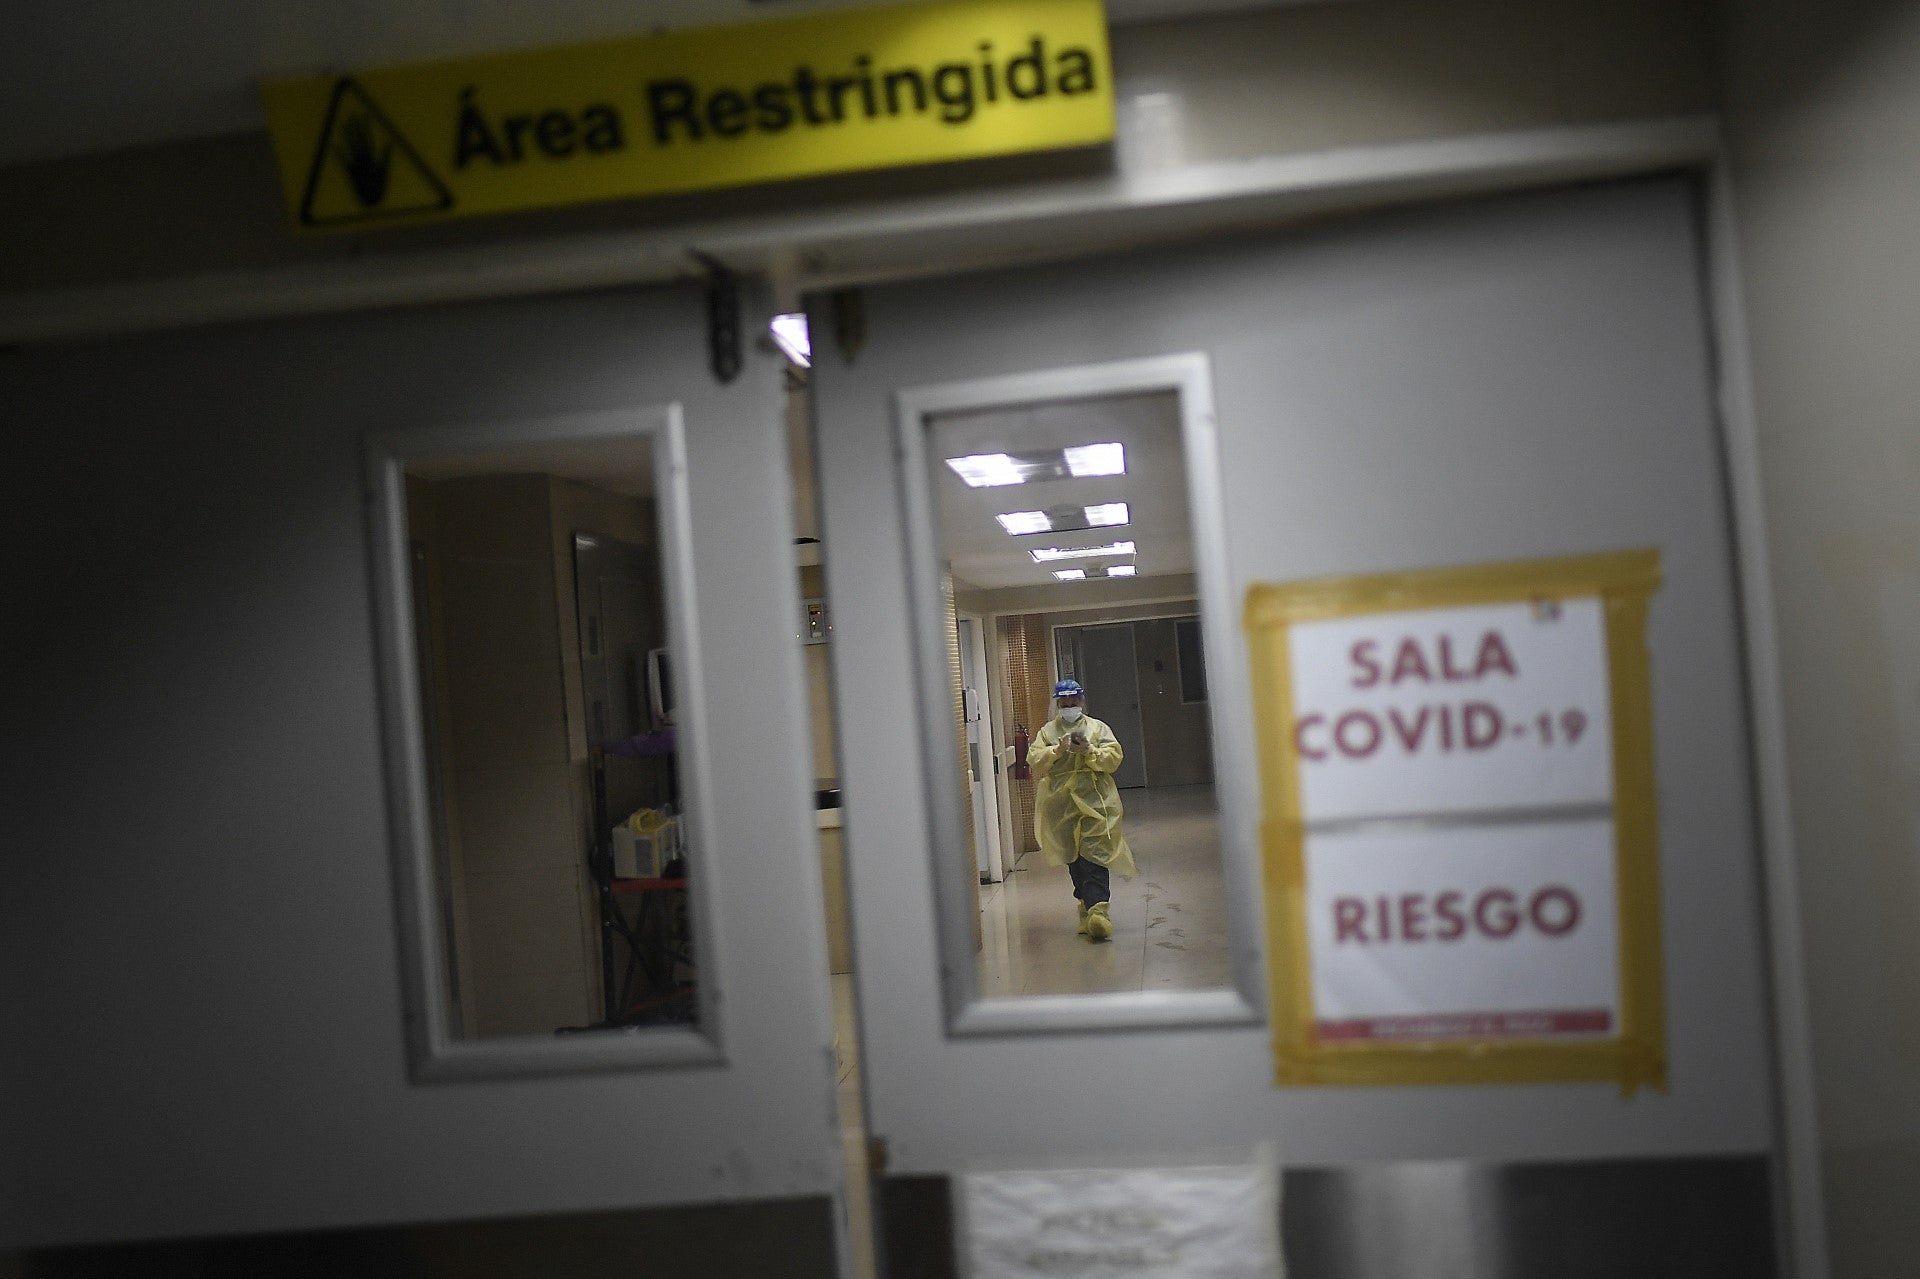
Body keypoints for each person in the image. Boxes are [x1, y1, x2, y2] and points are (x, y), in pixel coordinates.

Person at [1026, 679, 1136, 942]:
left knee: (1094, 854)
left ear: (1082, 702)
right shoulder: (1048, 732)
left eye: (1074, 702)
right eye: (1064, 703)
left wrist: (1090, 750)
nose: (1069, 707)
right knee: (1073, 857)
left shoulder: (1097, 728)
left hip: (1096, 800)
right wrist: (1058, 749)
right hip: (1061, 804)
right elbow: (1035, 759)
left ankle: (1100, 911)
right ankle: (1086, 906)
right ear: (1058, 703)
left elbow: (1113, 758)